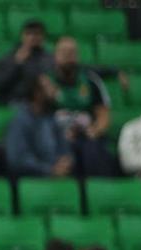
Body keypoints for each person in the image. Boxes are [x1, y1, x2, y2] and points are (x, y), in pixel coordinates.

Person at [48, 36, 115, 177]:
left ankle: (97, 192)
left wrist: (95, 130)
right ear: (55, 56)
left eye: (71, 53)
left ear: (77, 56)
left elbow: (103, 114)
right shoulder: (46, 81)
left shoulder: (90, 80)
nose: (67, 57)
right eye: (63, 52)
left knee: (94, 152)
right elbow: (38, 114)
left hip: (86, 136)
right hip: (56, 136)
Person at [5, 74, 73, 178]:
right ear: (37, 93)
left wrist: (66, 161)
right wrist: (49, 170)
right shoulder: (20, 121)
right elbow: (18, 160)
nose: (54, 90)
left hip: (58, 178)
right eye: (49, 86)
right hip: (33, 183)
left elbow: (64, 149)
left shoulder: (52, 119)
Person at [0, 19, 52, 104]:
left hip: (45, 103)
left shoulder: (49, 60)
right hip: (18, 102)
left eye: (36, 34)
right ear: (22, 36)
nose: (32, 37)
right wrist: (16, 63)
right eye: (28, 33)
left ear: (43, 37)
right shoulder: (8, 59)